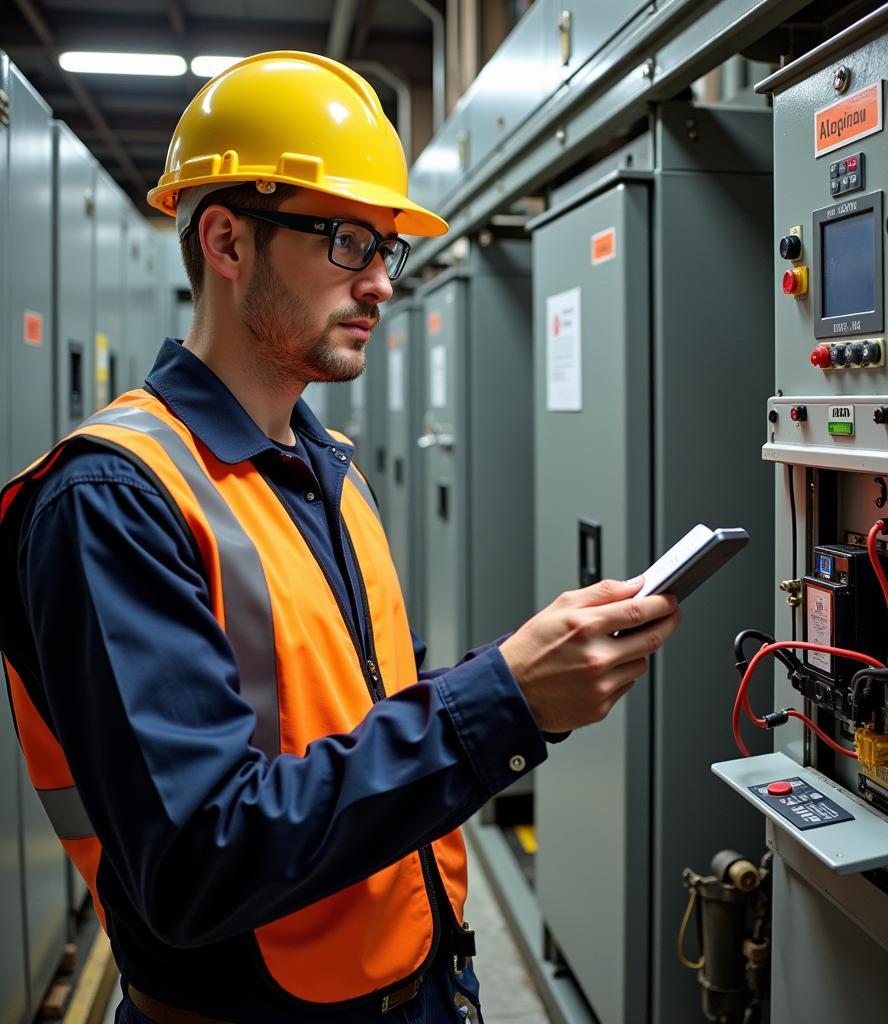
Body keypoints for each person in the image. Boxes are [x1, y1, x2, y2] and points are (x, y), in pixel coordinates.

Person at [0, 52, 680, 1024]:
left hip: (416, 981)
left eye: (386, 250)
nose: (382, 284)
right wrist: (502, 702)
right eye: (349, 242)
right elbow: (197, 861)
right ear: (228, 241)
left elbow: (353, 728)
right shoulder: (111, 498)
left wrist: (528, 682)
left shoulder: (327, 469)